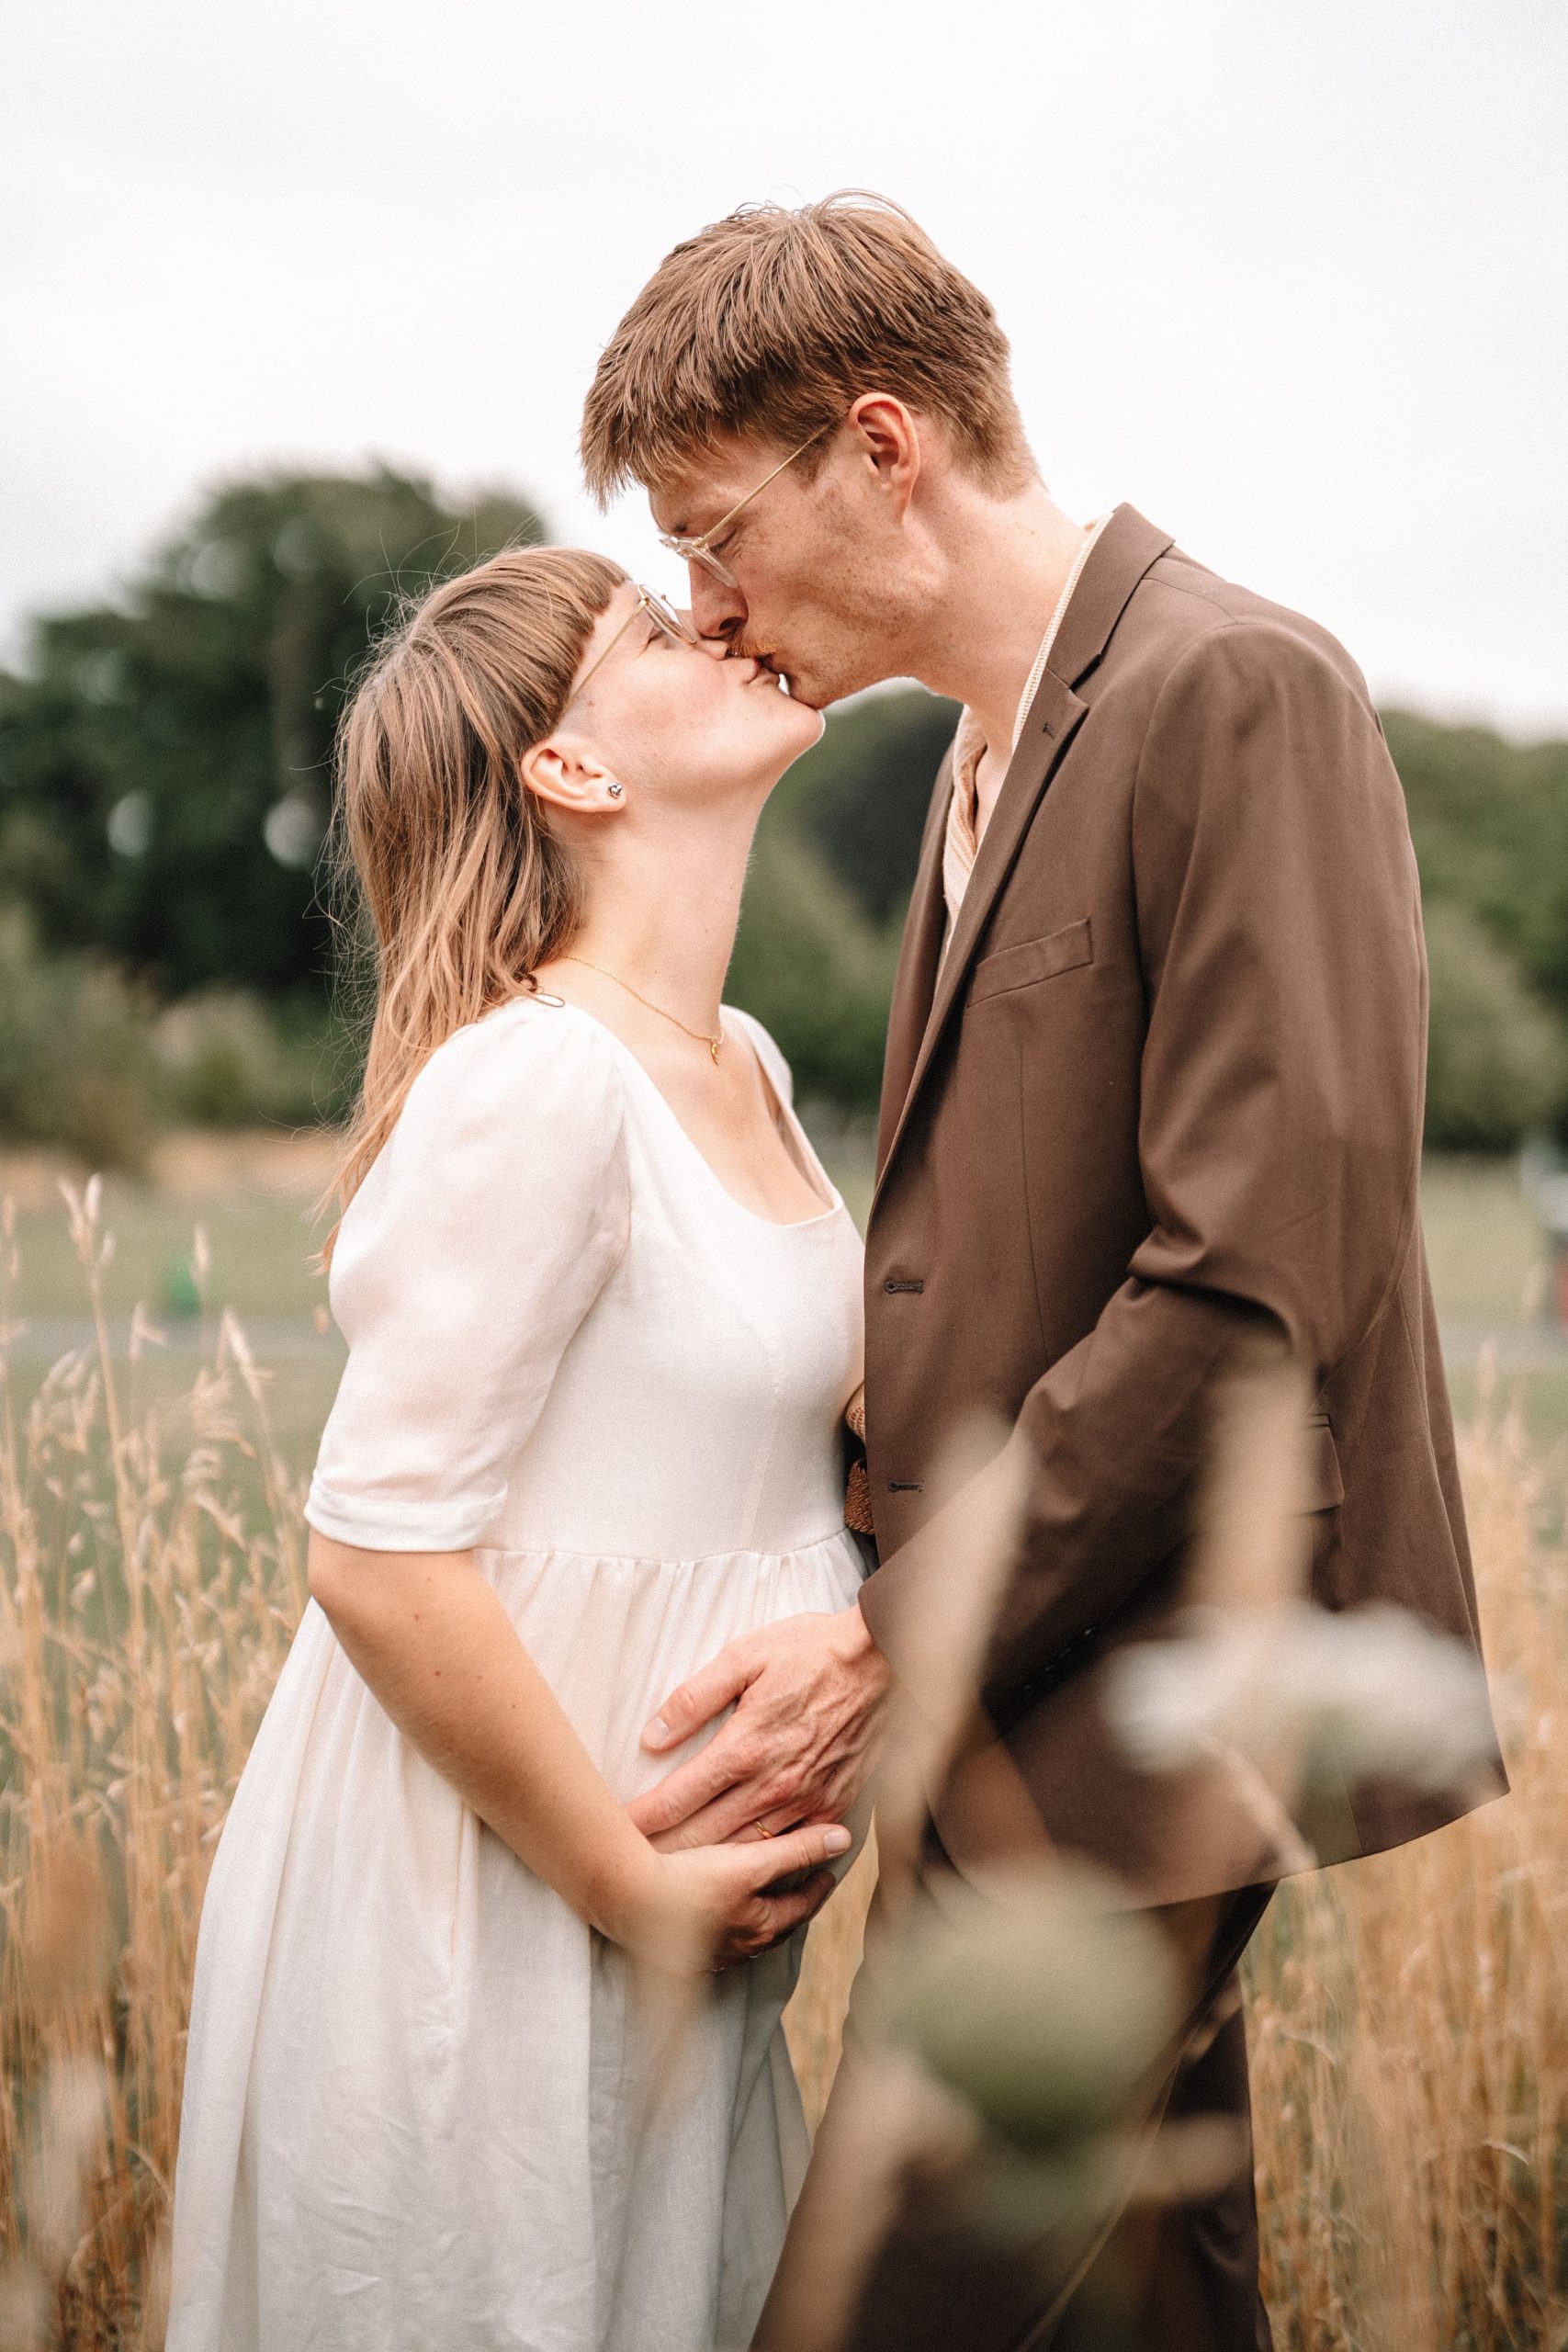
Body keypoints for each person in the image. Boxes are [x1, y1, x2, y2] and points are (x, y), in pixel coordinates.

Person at [581, 194, 1507, 2349]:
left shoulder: (1235, 688)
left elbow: (1253, 1277)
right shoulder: (963, 763)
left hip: (1153, 1716)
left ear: (877, 447)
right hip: (1025, 1710)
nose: (704, 606)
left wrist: (881, 1644)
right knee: (1149, 2303)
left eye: (716, 532)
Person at [164, 548, 868, 2352]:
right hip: (485, 1927)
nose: (719, 618)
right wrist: (630, 1889)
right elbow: (373, 1555)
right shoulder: (539, 1078)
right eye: (656, 627)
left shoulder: (746, 1061)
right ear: (573, 767)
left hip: (668, 1957)